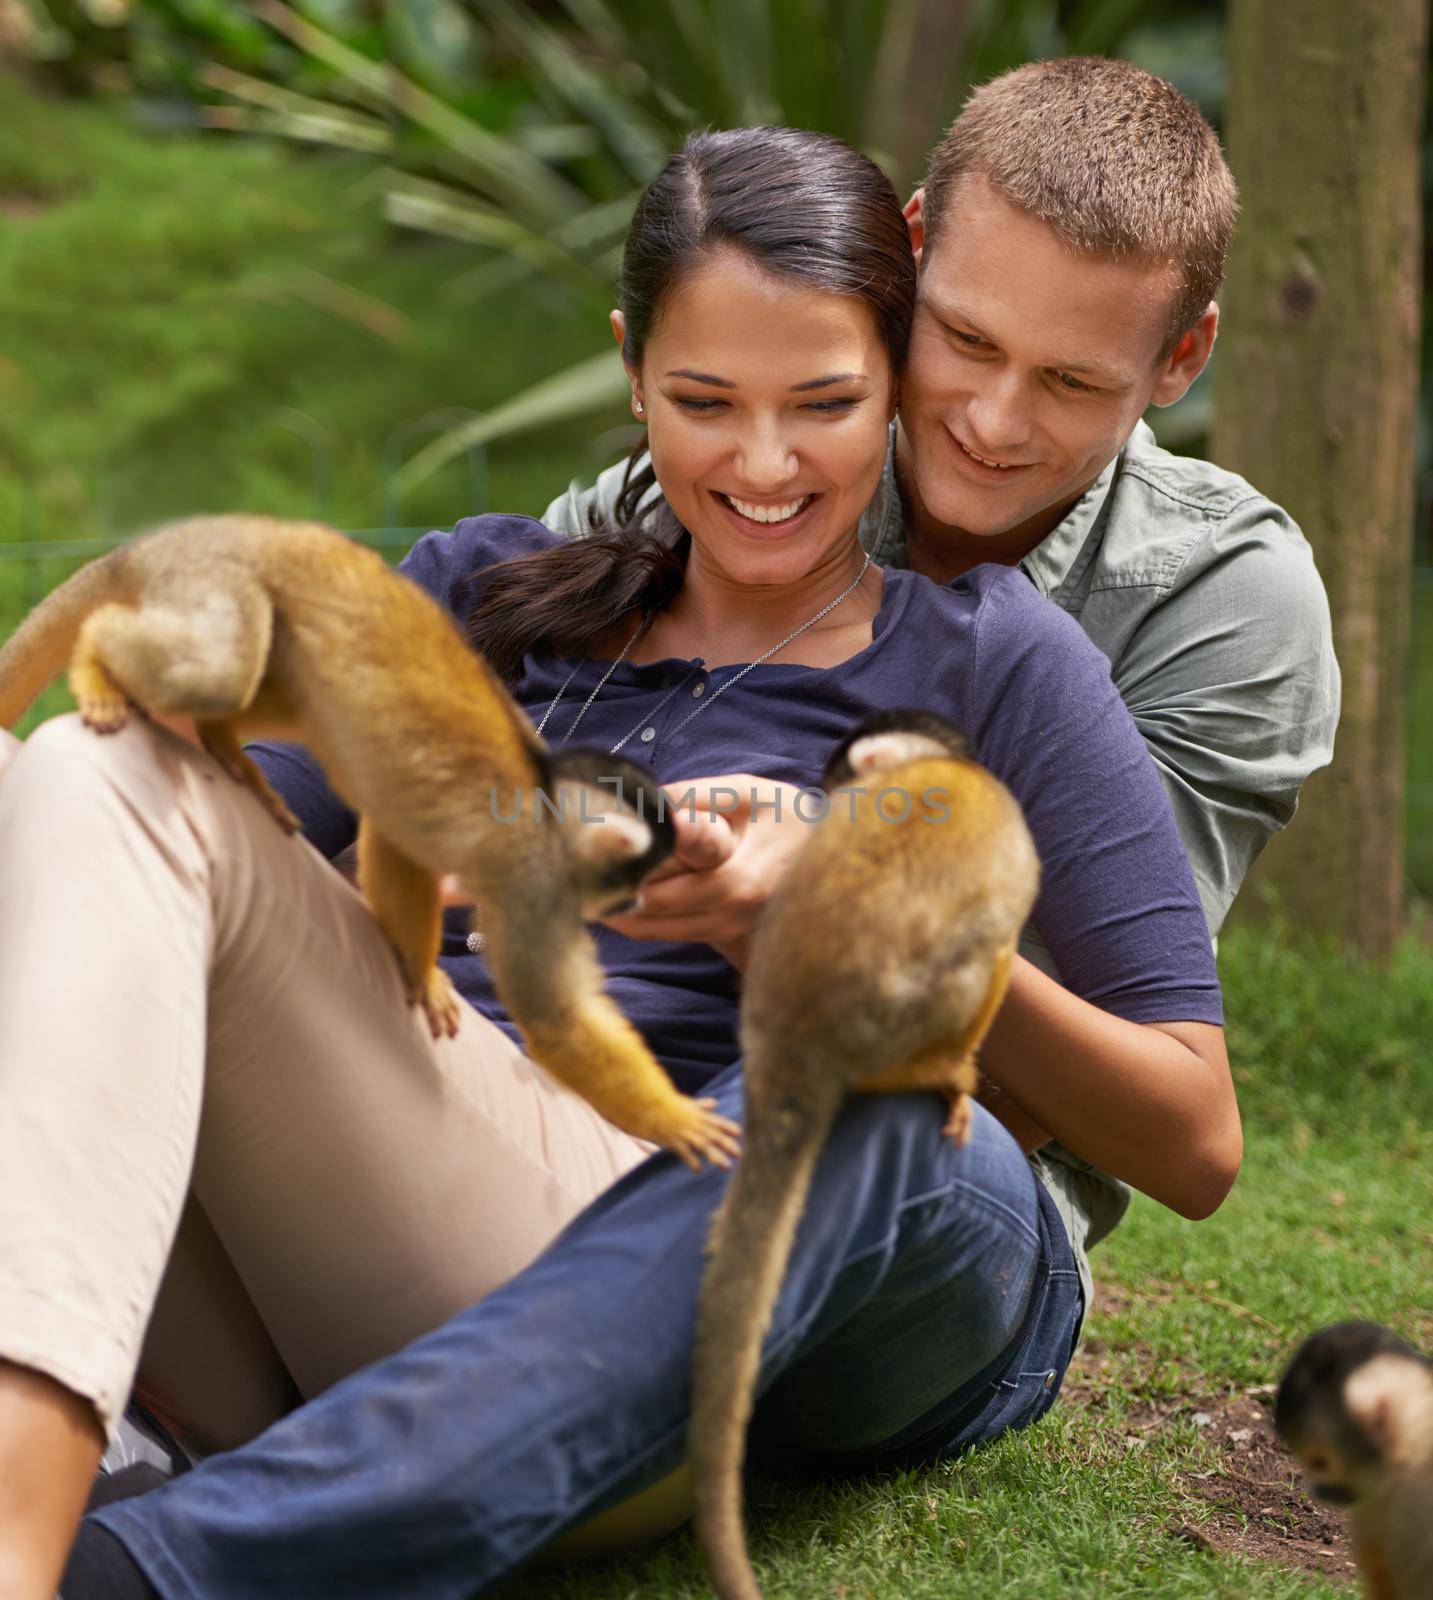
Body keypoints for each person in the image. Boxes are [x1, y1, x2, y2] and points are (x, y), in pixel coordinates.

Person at [27, 109, 1241, 1600]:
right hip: (370, 1199)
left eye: (824, 402)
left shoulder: (996, 657)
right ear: (630, 370)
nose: (766, 461)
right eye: (704, 400)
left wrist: (820, 919)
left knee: (866, 1082)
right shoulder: (488, 586)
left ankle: (135, 1573)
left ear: (887, 384)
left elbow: (1196, 1142)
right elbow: (180, 853)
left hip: (656, 1264)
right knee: (91, 763)